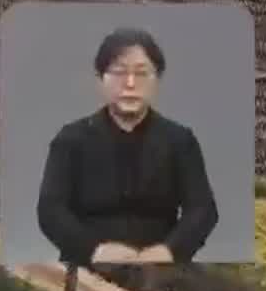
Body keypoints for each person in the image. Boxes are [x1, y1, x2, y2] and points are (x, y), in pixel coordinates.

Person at [36, 27, 218, 265]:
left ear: (157, 81)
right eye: (119, 73)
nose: (130, 84)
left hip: (162, 270)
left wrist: (168, 251)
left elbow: (202, 210)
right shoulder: (71, 140)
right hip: (87, 267)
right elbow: (50, 210)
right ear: (101, 80)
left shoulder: (180, 141)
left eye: (142, 74)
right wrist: (95, 250)